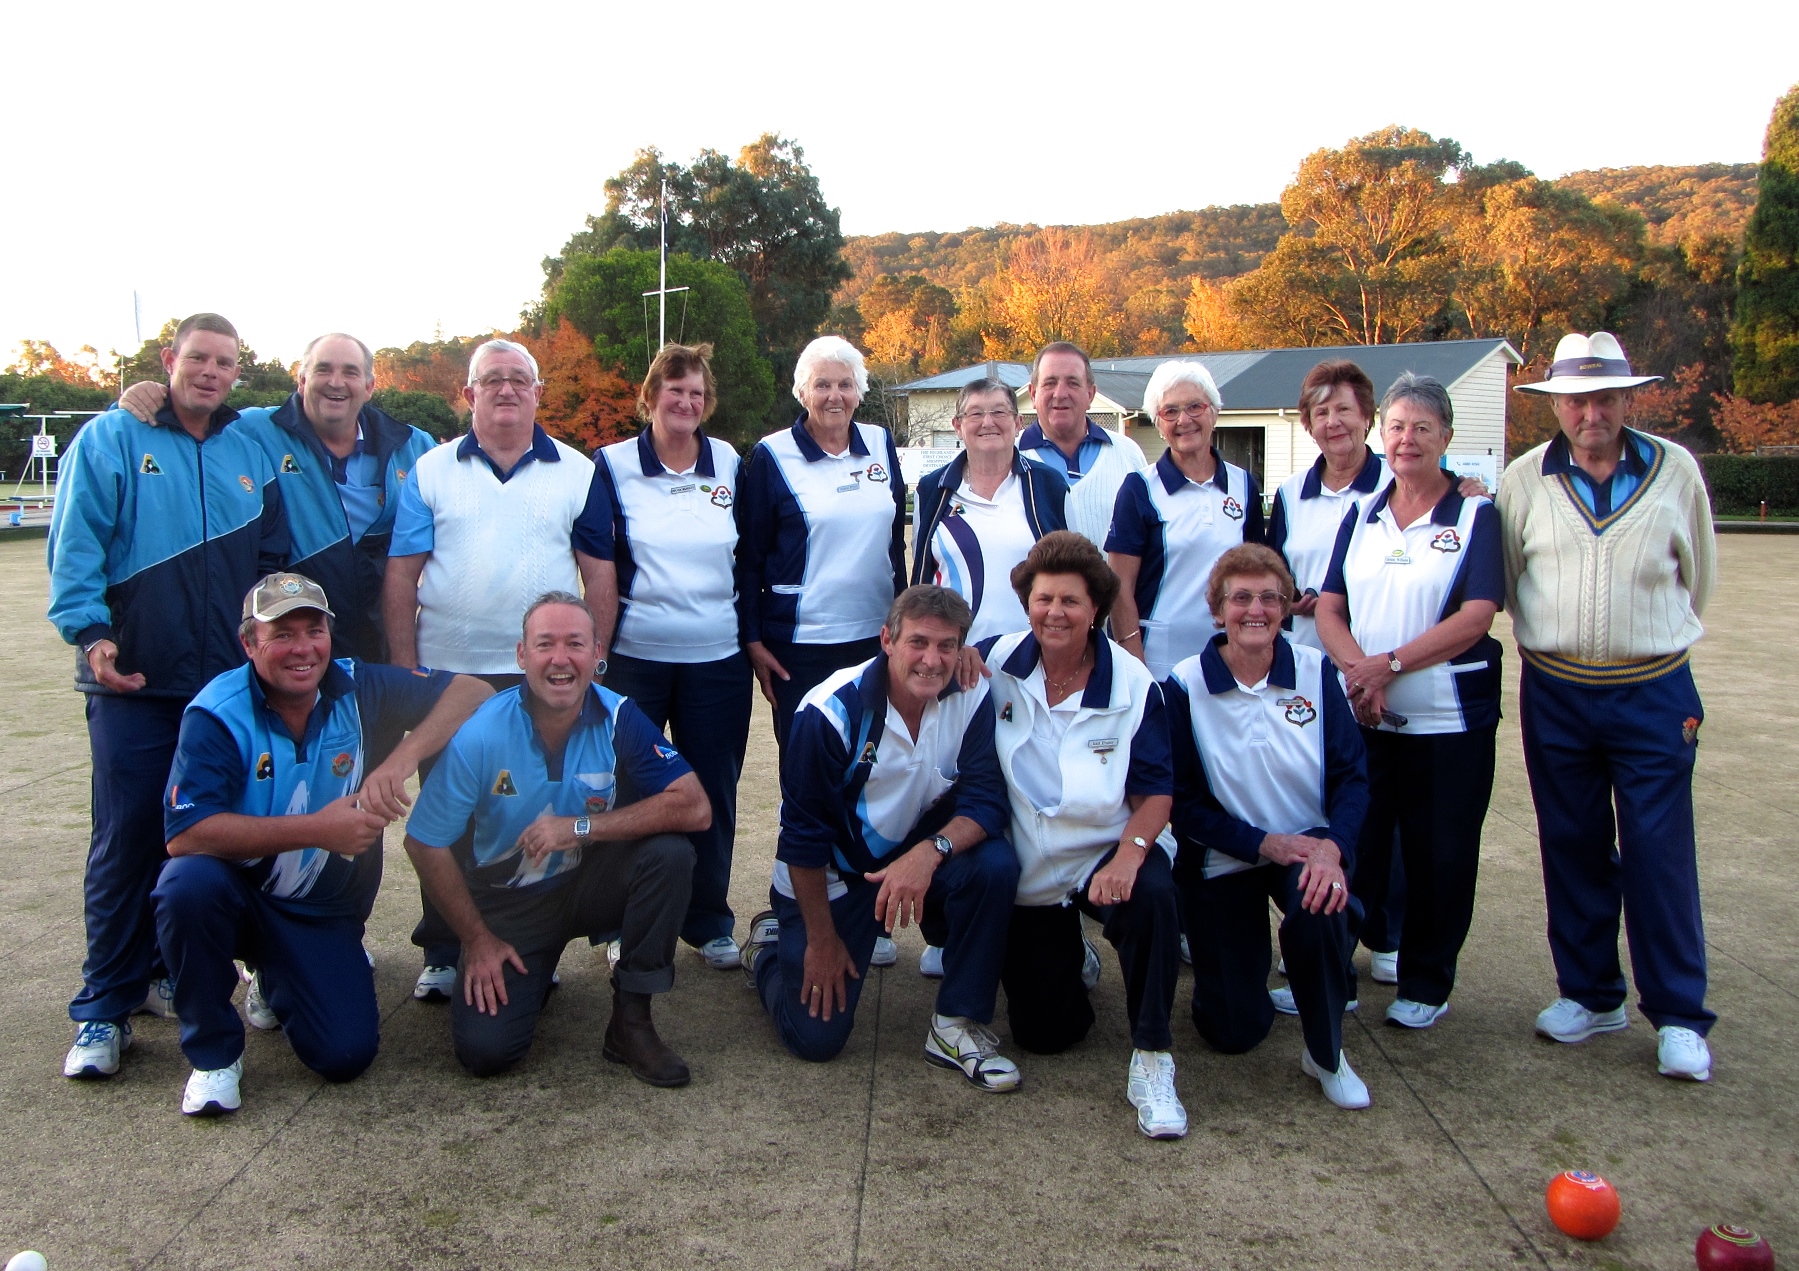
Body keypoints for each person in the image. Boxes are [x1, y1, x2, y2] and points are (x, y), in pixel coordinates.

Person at [49, 313, 291, 1081]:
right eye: (198, 358)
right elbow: (77, 545)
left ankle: (204, 975)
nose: (211, 372)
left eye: (225, 361)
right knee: (128, 842)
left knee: (233, 838)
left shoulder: (250, 443)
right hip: (136, 684)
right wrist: (92, 634)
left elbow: (273, 560)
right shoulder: (111, 438)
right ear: (169, 359)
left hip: (226, 692)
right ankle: (102, 1008)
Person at [153, 574, 492, 1114]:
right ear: (249, 644)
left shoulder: (359, 685)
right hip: (237, 896)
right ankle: (214, 1056)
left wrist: (400, 761)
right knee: (185, 886)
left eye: (314, 630)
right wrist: (318, 829)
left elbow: (473, 692)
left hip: (321, 912)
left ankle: (275, 977)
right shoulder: (215, 711)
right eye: (282, 634)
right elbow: (187, 834)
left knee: (345, 1055)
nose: (302, 648)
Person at [1501, 331, 1717, 1082]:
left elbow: (1699, 577)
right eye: (1575, 399)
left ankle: (1680, 1015)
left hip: (1652, 688)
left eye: (1603, 398)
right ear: (1553, 406)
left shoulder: (1674, 471)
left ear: (1627, 399)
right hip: (1555, 688)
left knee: (1658, 851)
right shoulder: (1524, 478)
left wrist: (1637, 642)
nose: (1589, 412)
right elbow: (1507, 578)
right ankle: (1590, 993)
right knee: (1573, 842)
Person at [383, 338, 611, 1002]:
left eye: (520, 380)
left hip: (545, 675)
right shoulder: (428, 470)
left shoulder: (578, 471)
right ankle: (443, 946)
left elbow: (598, 572)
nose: (506, 389)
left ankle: (536, 938)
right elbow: (403, 573)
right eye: (492, 380)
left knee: (535, 812)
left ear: (539, 393)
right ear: (468, 394)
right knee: (447, 814)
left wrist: (593, 659)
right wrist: (404, 670)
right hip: (447, 674)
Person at [402, 592, 711, 1082]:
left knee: (670, 855)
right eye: (545, 645)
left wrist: (581, 827)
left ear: (595, 654)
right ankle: (529, 971)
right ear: (522, 655)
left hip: (589, 882)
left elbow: (694, 806)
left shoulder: (619, 716)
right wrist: (476, 939)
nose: (561, 660)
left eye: (575, 644)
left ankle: (631, 1022)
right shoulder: (480, 732)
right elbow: (423, 842)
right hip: (510, 905)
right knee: (486, 1053)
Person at [738, 587, 1021, 1091]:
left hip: (914, 859)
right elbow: (803, 841)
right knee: (816, 1040)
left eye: (947, 646)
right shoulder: (828, 711)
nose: (932, 661)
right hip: (833, 877)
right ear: (887, 639)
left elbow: (987, 801)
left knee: (995, 864)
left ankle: (956, 1025)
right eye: (919, 642)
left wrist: (929, 854)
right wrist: (821, 942)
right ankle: (769, 951)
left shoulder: (975, 695)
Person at [1315, 373, 1504, 1031]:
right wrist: (1359, 675)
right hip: (1366, 717)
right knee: (1354, 846)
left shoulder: (1475, 514)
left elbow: (1476, 615)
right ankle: (1333, 973)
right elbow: (1330, 606)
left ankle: (1427, 979)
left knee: (1439, 854)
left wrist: (1388, 665)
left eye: (1422, 428)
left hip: (1448, 722)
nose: (1406, 439)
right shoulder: (1359, 512)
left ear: (1446, 438)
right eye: (1396, 426)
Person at [981, 532, 1185, 1138]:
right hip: (1032, 869)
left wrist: (1130, 855)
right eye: (1044, 599)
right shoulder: (992, 662)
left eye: (1070, 601)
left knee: (1153, 897)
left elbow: (1157, 791)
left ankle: (1152, 1057)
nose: (1055, 613)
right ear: (1027, 604)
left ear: (1096, 607)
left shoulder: (1133, 683)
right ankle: (1074, 953)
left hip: (1108, 850)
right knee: (1046, 1035)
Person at [1165, 545, 1371, 1109]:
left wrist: (1334, 848)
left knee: (1322, 911)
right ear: (1217, 610)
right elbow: (1179, 802)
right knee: (1232, 1031)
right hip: (1224, 856)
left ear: (1285, 608)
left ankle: (1325, 1051)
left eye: (1269, 598)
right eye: (1240, 598)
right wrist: (1261, 843)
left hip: (1309, 847)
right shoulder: (1184, 686)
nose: (1255, 610)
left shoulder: (1315, 671)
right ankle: (1245, 985)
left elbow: (1354, 777)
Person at [575, 343, 751, 972]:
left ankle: (708, 920)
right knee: (630, 790)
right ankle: (622, 920)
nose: (686, 403)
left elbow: (749, 555)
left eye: (697, 394)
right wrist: (596, 655)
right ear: (650, 396)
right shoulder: (612, 465)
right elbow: (596, 565)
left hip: (718, 662)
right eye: (674, 390)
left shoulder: (729, 461)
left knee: (714, 790)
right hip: (635, 660)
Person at [735, 335, 908, 966]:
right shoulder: (773, 457)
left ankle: (869, 908)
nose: (834, 396)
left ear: (860, 391)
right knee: (804, 778)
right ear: (801, 391)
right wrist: (753, 639)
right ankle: (790, 906)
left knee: (869, 775)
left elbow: (894, 543)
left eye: (845, 384)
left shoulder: (881, 447)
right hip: (798, 647)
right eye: (822, 384)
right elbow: (749, 557)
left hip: (874, 640)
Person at [117, 332, 436, 661]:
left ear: (369, 387)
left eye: (350, 372)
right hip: (294, 648)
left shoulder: (412, 445)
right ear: (301, 380)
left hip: (381, 645)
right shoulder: (253, 428)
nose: (336, 383)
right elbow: (189, 422)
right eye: (323, 370)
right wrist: (150, 396)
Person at [1107, 360, 1264, 680]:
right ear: (1158, 423)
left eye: (1195, 406)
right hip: (1159, 665)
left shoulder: (1243, 485)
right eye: (1170, 411)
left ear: (1214, 412)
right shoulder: (1140, 488)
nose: (1184, 420)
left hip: (1230, 661)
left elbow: (1259, 575)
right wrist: (1134, 664)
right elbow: (1120, 587)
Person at [912, 378, 1069, 645]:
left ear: (1018, 423)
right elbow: (922, 580)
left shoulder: (1049, 485)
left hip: (1033, 654)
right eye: (975, 413)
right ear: (958, 426)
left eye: (999, 412)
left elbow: (1073, 573)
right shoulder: (932, 491)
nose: (988, 422)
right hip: (955, 657)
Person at [1017, 342, 1149, 546]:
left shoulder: (1127, 454)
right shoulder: (1010, 457)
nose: (1060, 394)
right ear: (1033, 394)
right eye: (1050, 383)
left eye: (1072, 383)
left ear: (1090, 394)